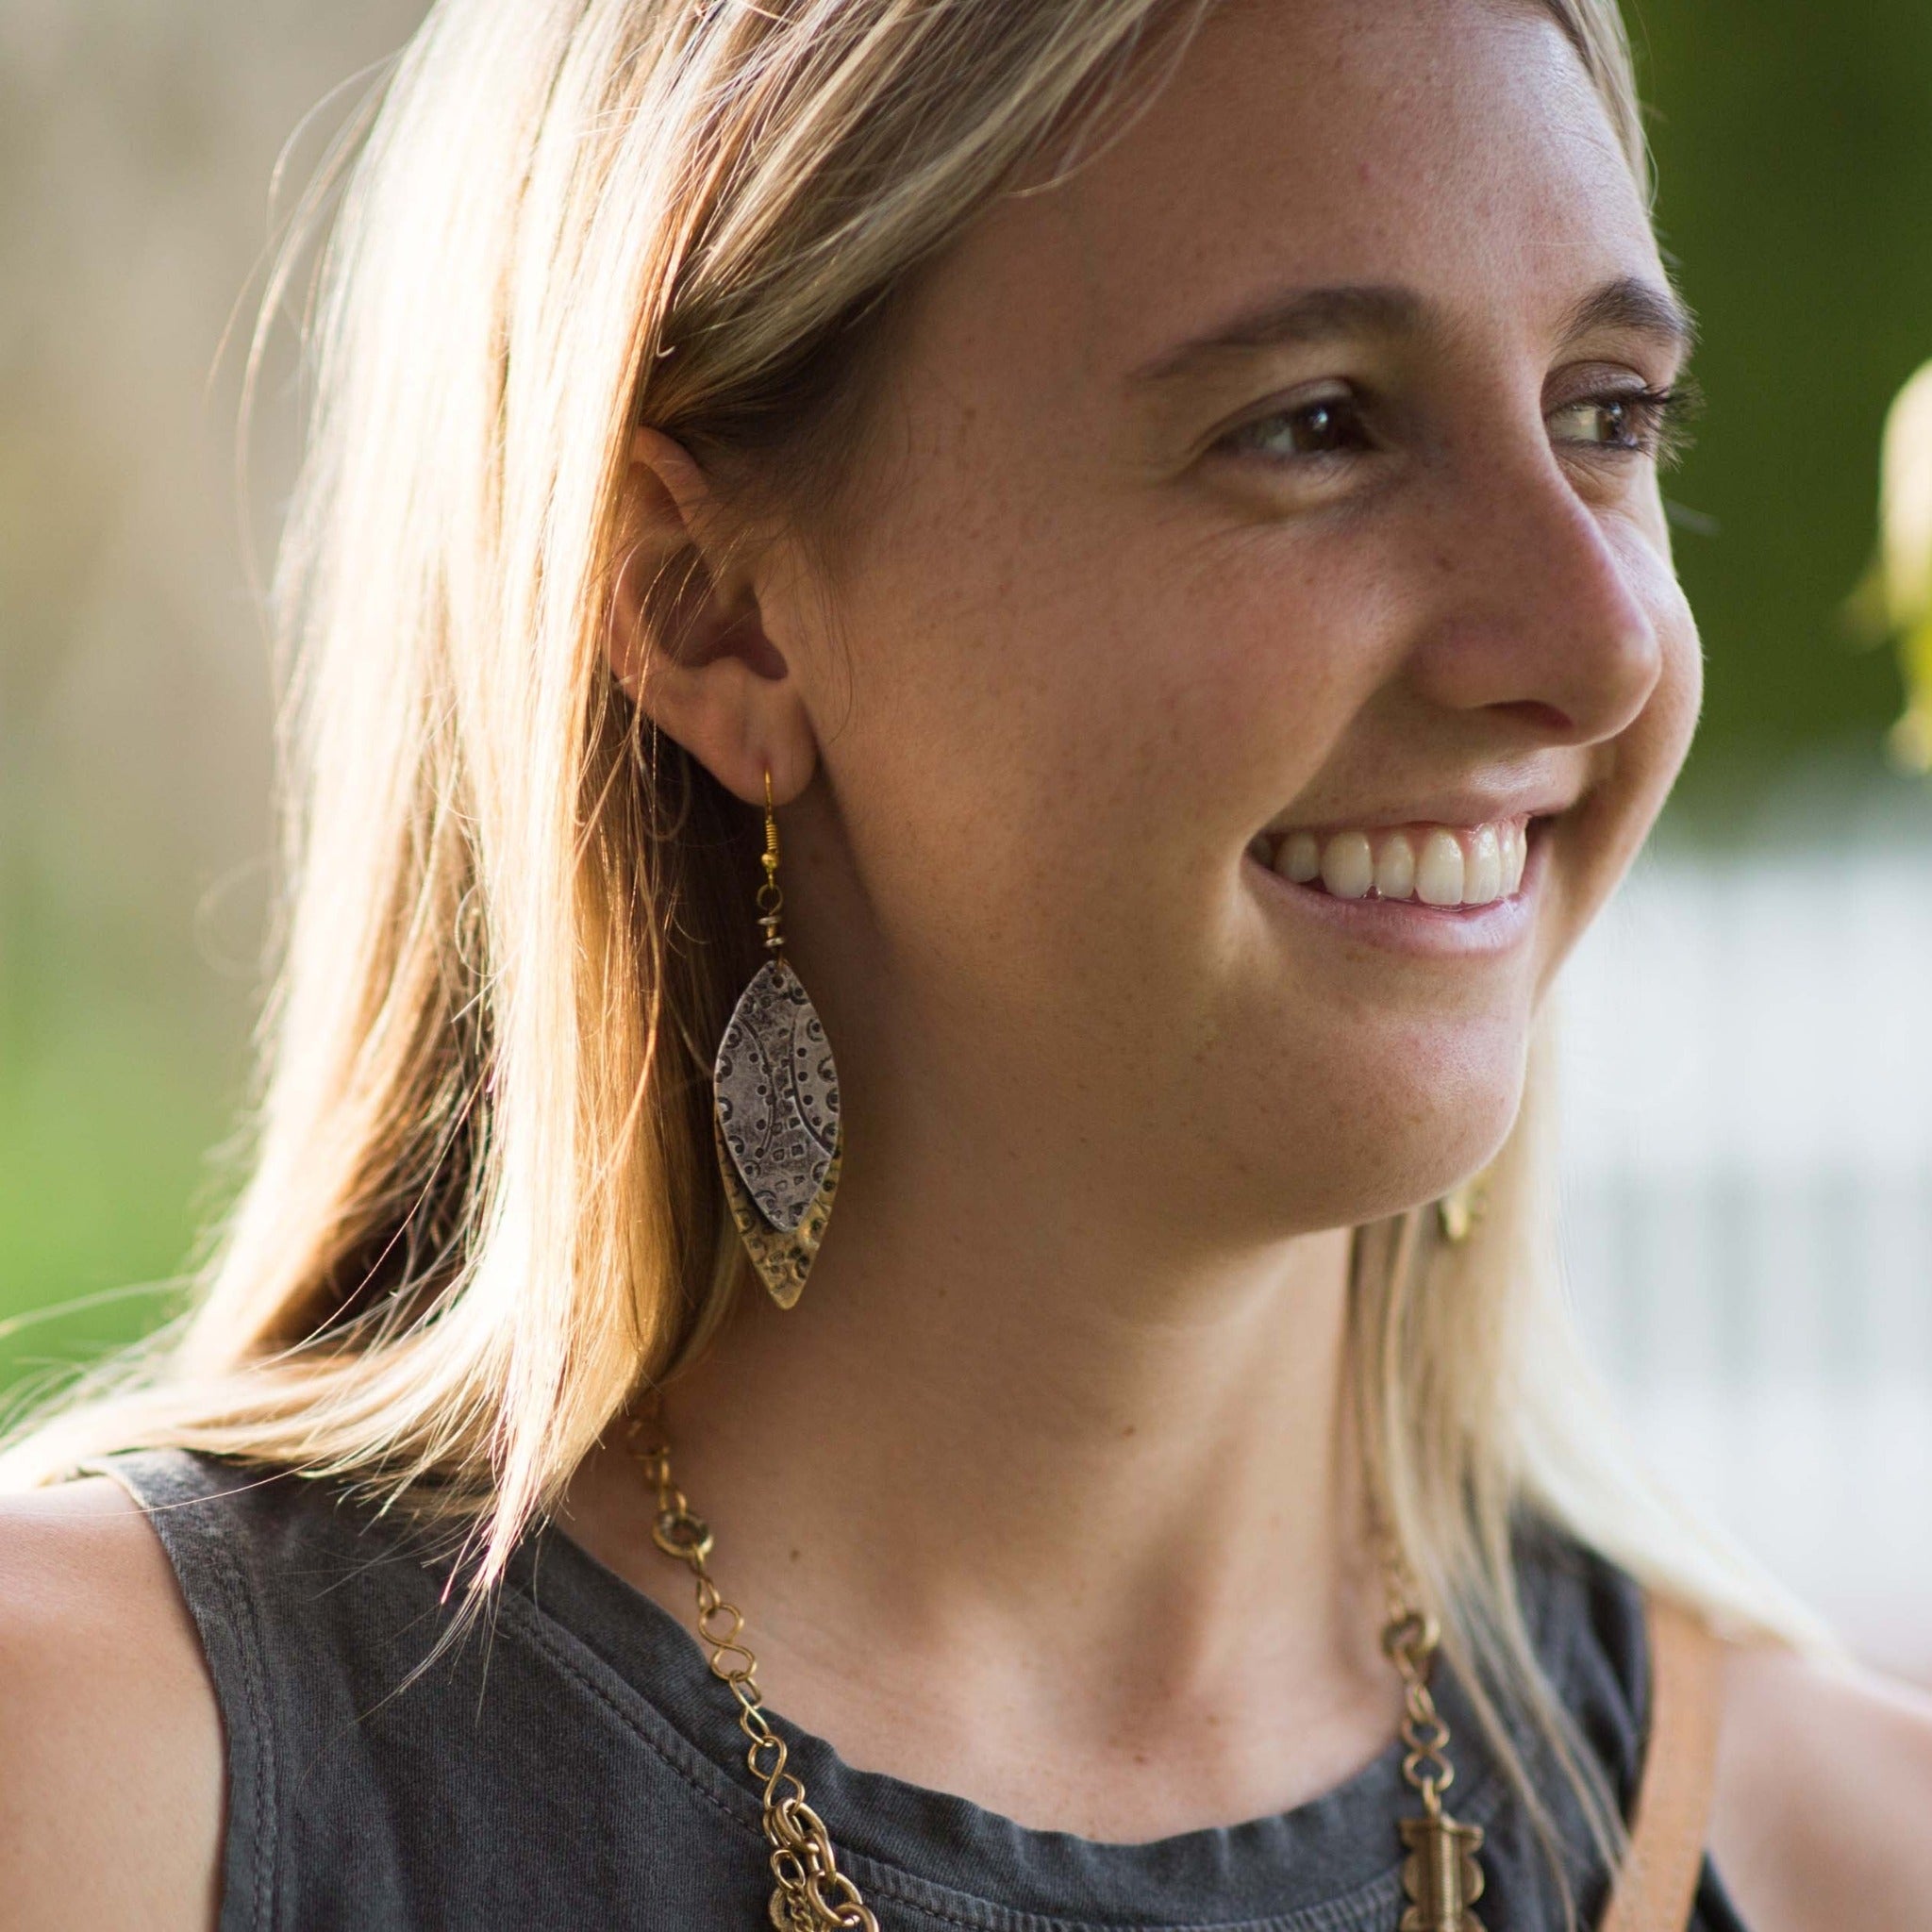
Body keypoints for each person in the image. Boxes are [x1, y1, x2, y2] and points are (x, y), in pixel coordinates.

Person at [2, 1, 1929, 1926]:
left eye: (1606, 412)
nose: (1597, 645)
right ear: (713, 611)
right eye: (1317, 425)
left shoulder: (1844, 1855)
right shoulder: (96, 1779)